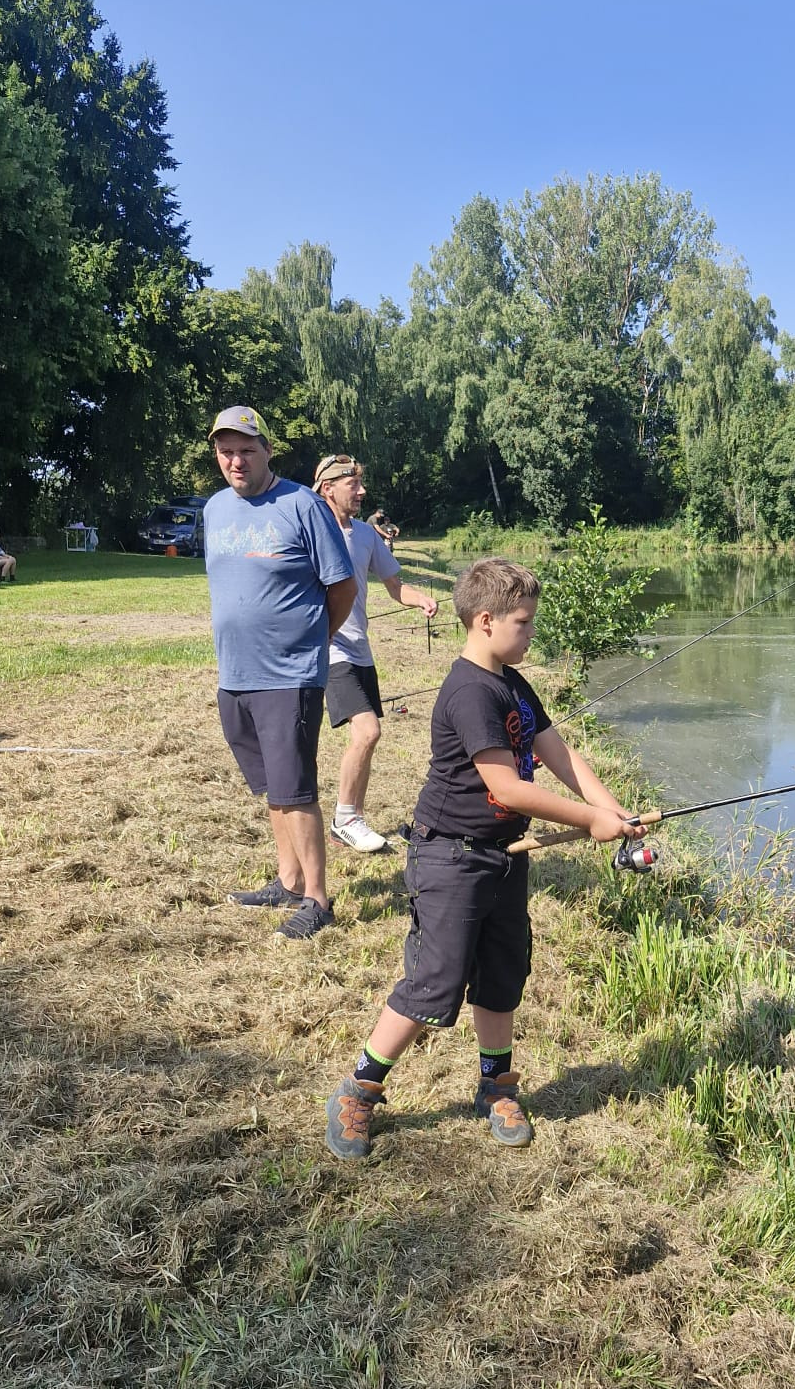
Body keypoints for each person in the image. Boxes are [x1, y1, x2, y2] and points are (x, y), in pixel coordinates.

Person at [325, 555, 642, 1158]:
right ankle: (359, 1089)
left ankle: (496, 1085)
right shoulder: (470, 691)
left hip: (505, 855)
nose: (532, 632)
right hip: (451, 857)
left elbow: (559, 755)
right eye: (524, 622)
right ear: (486, 620)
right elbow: (508, 789)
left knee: (501, 975)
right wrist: (588, 821)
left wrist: (615, 812)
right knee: (434, 982)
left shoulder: (513, 684)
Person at [203, 406, 356, 941]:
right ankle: (288, 881)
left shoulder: (301, 505)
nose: (236, 460)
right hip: (235, 674)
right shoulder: (215, 509)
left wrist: (314, 639)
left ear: (267, 450)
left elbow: (342, 586)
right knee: (272, 784)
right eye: (226, 451)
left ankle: (317, 899)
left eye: (247, 450)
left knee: (295, 787)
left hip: (289, 673)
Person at [312, 455, 438, 853]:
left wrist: (421, 599)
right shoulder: (311, 529)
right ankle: (345, 818)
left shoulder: (366, 535)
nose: (362, 491)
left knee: (365, 737)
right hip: (329, 648)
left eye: (361, 483)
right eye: (353, 484)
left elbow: (395, 586)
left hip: (360, 651)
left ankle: (351, 819)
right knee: (368, 731)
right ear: (328, 488)